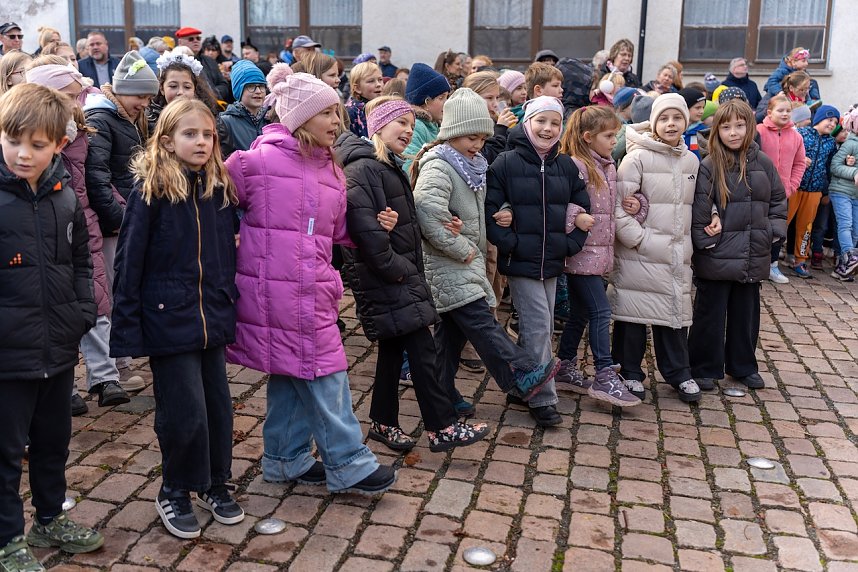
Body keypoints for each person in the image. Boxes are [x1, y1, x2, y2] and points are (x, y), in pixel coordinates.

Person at [226, 72, 397, 494]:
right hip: (277, 292)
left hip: (314, 287)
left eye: (337, 111)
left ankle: (285, 458)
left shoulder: (333, 173)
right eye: (325, 112)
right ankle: (349, 461)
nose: (336, 120)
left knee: (291, 372)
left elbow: (336, 232)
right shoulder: (255, 162)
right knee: (326, 373)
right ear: (300, 119)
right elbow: (215, 196)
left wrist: (373, 227)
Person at [111, 98, 243, 539]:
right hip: (168, 318)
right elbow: (128, 262)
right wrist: (127, 328)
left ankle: (214, 480)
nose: (202, 142)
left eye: (207, 134)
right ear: (167, 141)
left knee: (218, 407)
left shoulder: (218, 189)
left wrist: (228, 304)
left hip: (211, 314)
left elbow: (225, 255)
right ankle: (176, 487)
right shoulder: (151, 191)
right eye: (190, 134)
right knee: (183, 410)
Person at [337, 95, 491, 451]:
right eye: (401, 123)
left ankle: (383, 421)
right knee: (424, 352)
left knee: (393, 352)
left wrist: (439, 225)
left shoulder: (386, 166)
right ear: (379, 127)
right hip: (391, 277)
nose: (409, 130)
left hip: (397, 275)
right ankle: (442, 427)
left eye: (411, 124)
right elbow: (366, 237)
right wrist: (406, 270)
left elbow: (399, 222)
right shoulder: (364, 170)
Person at [412, 89, 565, 426]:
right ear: (451, 132)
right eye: (470, 137)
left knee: (450, 340)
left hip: (467, 262)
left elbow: (485, 207)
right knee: (483, 323)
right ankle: (521, 374)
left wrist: (504, 212)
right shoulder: (439, 165)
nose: (478, 144)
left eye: (482, 137)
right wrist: (463, 248)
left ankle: (442, 395)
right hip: (449, 263)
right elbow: (426, 211)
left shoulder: (472, 165)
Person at [0, 83, 105, 572]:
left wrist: (82, 311)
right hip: (8, 355)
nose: (24, 154)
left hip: (58, 343)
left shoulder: (64, 194)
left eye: (37, 145)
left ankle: (49, 515)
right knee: (5, 451)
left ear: (59, 145)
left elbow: (82, 259)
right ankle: (6, 538)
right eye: (13, 140)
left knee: (52, 441)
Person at [485, 96, 590, 426]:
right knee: (538, 325)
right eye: (540, 121)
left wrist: (570, 243)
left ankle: (520, 385)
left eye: (554, 123)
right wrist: (511, 243)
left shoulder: (567, 166)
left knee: (539, 328)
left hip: (553, 260)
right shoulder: (505, 163)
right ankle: (543, 397)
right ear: (526, 122)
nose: (547, 128)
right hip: (521, 261)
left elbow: (581, 209)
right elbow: (490, 211)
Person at [689, 100, 787, 391]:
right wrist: (707, 242)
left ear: (750, 128)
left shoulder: (763, 163)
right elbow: (700, 207)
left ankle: (742, 364)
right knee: (710, 314)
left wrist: (773, 231)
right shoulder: (709, 165)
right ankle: (704, 365)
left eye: (740, 126)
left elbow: (779, 200)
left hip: (751, 252)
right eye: (727, 126)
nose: (733, 132)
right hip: (718, 253)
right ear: (717, 129)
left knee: (746, 315)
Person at [611, 93, 703, 403]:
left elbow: (697, 202)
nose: (671, 123)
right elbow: (618, 206)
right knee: (632, 312)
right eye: (664, 118)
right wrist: (639, 239)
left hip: (676, 252)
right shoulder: (636, 158)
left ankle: (678, 371)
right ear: (654, 122)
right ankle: (630, 371)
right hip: (640, 251)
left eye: (677, 118)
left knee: (674, 312)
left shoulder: (691, 160)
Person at [555, 105, 644, 406]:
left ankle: (564, 366)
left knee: (581, 312)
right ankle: (604, 374)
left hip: (598, 254)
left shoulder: (607, 164)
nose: (613, 141)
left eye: (616, 135)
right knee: (600, 311)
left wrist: (636, 205)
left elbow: (613, 205)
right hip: (581, 255)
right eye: (609, 136)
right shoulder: (575, 165)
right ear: (588, 136)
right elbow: (558, 203)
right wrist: (574, 218)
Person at [84, 50, 159, 400]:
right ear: (121, 91)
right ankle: (117, 365)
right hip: (112, 222)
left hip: (122, 215)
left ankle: (123, 359)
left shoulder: (123, 117)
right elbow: (97, 177)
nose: (144, 104)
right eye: (140, 96)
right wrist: (121, 220)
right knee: (111, 292)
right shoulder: (103, 117)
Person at [756, 94, 806, 284]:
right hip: (759, 191)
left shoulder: (796, 137)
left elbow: (799, 163)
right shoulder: (759, 131)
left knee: (777, 229)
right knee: (758, 227)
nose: (785, 114)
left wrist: (792, 185)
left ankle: (773, 265)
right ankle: (756, 263)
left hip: (782, 193)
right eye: (780, 110)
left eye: (788, 111)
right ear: (770, 112)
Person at [788, 104, 839, 278]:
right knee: (783, 222)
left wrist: (825, 191)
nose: (832, 124)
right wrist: (801, 159)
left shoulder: (831, 143)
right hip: (795, 186)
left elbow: (829, 168)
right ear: (818, 119)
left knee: (806, 226)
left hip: (815, 191)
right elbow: (790, 155)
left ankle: (800, 261)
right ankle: (768, 259)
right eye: (829, 119)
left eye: (835, 122)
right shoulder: (802, 134)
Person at [147, 50, 219, 132]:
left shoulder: (210, 119)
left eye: (187, 87)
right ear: (162, 89)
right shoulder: (149, 121)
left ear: (194, 89)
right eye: (173, 86)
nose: (180, 92)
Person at [827, 106, 858, 280]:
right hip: (841, 191)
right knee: (845, 224)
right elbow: (835, 166)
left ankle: (844, 267)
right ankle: (849, 256)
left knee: (855, 231)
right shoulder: (850, 144)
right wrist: (853, 172)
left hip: (856, 195)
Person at [403, 63, 450, 172]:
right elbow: (409, 166)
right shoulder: (417, 126)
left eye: (447, 97)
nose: (446, 103)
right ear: (426, 101)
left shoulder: (435, 124)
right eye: (441, 98)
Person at [217, 59, 269, 158]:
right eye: (251, 86)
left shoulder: (270, 118)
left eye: (261, 86)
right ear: (239, 90)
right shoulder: (225, 122)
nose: (258, 91)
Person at [175, 27, 231, 102]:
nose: (196, 41)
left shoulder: (210, 61)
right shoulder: (175, 62)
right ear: (180, 42)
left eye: (198, 38)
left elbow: (223, 84)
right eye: (191, 39)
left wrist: (212, 93)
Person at [345, 61, 383, 137]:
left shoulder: (384, 107)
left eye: (380, 79)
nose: (378, 84)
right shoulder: (351, 112)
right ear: (357, 88)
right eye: (371, 81)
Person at [679, 87, 707, 158]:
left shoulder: (704, 132)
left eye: (703, 107)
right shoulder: (676, 131)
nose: (701, 111)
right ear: (685, 108)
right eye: (697, 108)